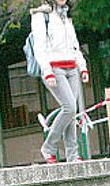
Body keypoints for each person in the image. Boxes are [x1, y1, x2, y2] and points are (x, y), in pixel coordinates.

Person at [30, 0, 89, 164]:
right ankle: (48, 147)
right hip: (54, 69)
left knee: (72, 111)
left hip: (72, 68)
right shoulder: (41, 16)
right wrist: (47, 71)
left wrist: (82, 67)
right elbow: (39, 48)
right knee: (69, 107)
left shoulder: (66, 15)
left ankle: (72, 155)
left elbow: (74, 45)